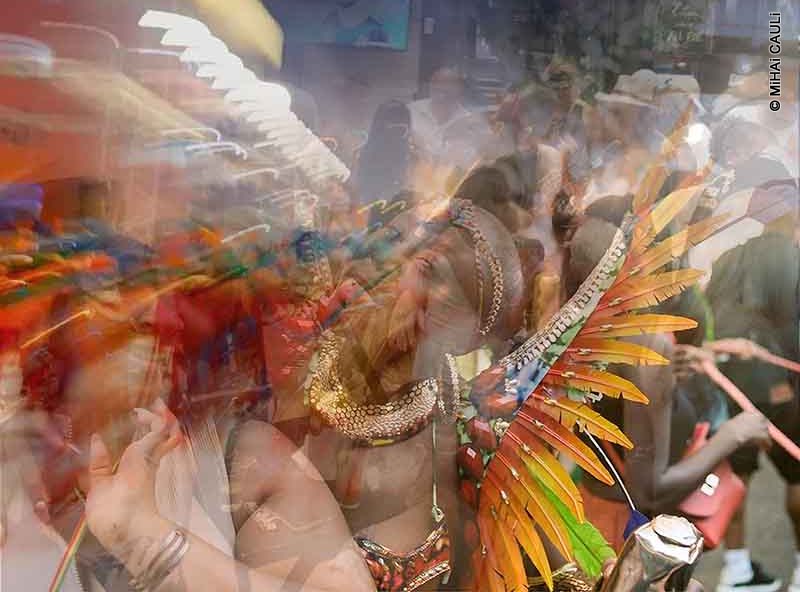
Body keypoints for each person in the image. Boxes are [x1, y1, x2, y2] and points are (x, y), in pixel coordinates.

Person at [0, 243, 375, 592]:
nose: (152, 316)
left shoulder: (243, 464)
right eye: (112, 288)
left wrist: (147, 537)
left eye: (160, 290)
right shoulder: (18, 467)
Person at [566, 200, 772, 552]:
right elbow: (651, 489)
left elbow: (614, 411)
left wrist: (672, 381)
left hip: (586, 518)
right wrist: (737, 434)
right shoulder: (647, 344)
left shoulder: (581, 326)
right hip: (625, 536)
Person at [703, 212, 800, 592]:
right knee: (797, 474)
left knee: (736, 476)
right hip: (785, 388)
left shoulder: (729, 258)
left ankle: (738, 570)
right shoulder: (791, 257)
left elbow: (710, 313)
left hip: (732, 384)